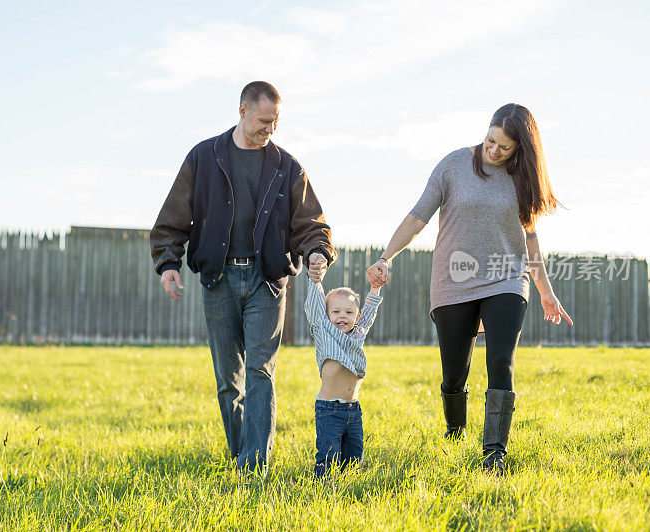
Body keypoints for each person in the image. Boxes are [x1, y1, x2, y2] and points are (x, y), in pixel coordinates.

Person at [367, 103, 573, 475]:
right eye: (490, 140)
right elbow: (418, 217)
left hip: (506, 276)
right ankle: (454, 431)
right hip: (454, 279)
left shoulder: (522, 179)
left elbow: (530, 241)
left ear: (521, 149)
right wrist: (386, 257)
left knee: (500, 362)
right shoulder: (454, 165)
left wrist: (545, 290)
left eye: (505, 148)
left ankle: (494, 453)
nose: (493, 151)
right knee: (453, 374)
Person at [150, 81, 335, 473]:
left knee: (259, 372)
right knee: (227, 379)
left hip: (267, 281)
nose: (270, 130)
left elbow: (311, 223)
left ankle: (253, 466)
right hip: (218, 280)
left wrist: (317, 251)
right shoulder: (204, 158)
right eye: (264, 121)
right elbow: (173, 218)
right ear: (243, 111)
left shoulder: (287, 167)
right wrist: (168, 263)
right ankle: (240, 453)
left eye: (276, 123)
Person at [304, 271, 382, 478]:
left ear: (355, 317)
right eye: (336, 312)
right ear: (327, 315)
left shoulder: (358, 333)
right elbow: (314, 308)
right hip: (329, 410)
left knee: (354, 456)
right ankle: (323, 487)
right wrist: (315, 281)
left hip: (353, 409)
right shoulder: (323, 331)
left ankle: (348, 486)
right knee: (329, 456)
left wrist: (375, 289)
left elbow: (368, 314)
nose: (342, 316)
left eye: (348, 313)